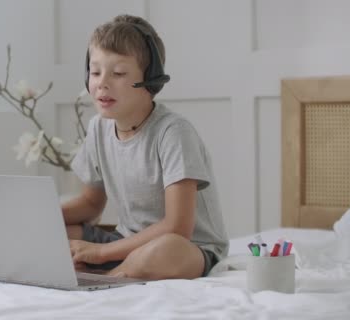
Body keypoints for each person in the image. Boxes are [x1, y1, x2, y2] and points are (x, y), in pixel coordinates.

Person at [61, 14, 228, 280]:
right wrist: (43, 215)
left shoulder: (173, 132)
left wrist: (101, 254)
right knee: (56, 231)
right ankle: (113, 269)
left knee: (166, 249)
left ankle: (105, 279)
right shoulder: (98, 128)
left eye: (117, 73)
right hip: (127, 242)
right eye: (95, 72)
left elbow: (178, 227)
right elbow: (91, 204)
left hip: (186, 247)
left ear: (150, 80)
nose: (102, 82)